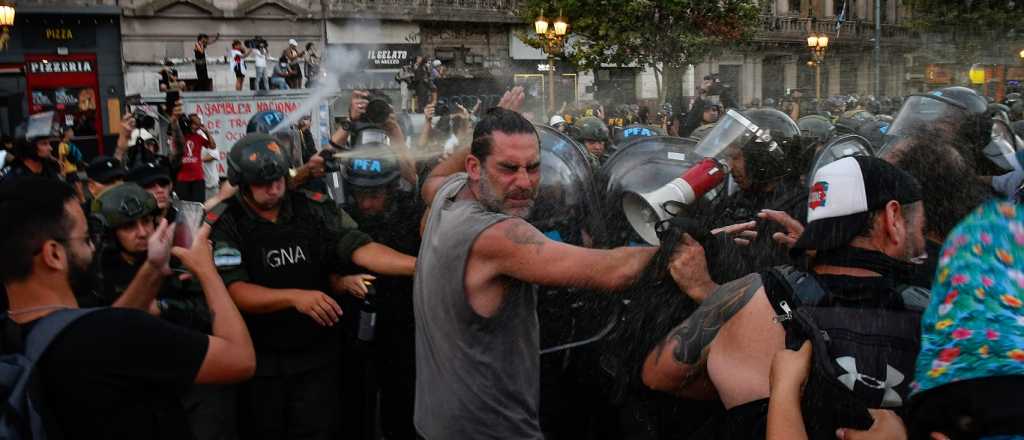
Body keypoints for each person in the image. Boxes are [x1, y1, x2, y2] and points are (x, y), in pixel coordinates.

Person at [414, 92, 667, 439]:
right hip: (492, 430)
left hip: (439, 422)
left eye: (533, 167)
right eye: (508, 168)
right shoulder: (498, 234)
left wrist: (480, 133)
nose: (524, 182)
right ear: (474, 167)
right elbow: (613, 270)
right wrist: (701, 242)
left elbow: (430, 180)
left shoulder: (450, 193)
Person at [642, 156, 927, 438]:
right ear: (893, 218)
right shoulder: (941, 319)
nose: (923, 239)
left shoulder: (757, 297)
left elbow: (659, 375)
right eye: (921, 226)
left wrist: (737, 382)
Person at [0, 177, 255, 439]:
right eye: (86, 239)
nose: (92, 247)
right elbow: (239, 359)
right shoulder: (112, 334)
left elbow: (108, 323)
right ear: (53, 255)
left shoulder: (13, 335)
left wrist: (153, 267)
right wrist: (206, 270)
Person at [208, 133, 416, 439]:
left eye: (279, 178)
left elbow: (360, 248)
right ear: (241, 182)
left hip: (317, 358)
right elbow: (236, 292)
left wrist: (420, 267)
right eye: (262, 182)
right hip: (261, 361)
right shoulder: (227, 223)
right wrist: (295, 298)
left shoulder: (314, 208)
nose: (274, 187)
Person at [86, 182, 238, 440]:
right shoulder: (96, 275)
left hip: (190, 377)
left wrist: (167, 309)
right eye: (129, 226)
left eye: (146, 222)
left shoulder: (180, 255)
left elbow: (210, 311)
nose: (142, 232)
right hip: (133, 388)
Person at [336, 145, 422, 440]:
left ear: (391, 188)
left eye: (374, 195)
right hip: (353, 328)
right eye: (360, 194)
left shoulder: (412, 215)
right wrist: (342, 283)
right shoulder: (339, 217)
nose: (367, 203)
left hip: (404, 326)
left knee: (402, 402)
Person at [0, 113, 62, 184]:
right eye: (44, 144)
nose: (50, 148)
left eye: (49, 144)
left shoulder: (49, 170)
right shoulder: (13, 178)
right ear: (29, 147)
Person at [176, 114, 216, 203]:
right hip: (183, 179)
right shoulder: (180, 137)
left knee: (198, 205)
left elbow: (213, 146)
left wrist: (207, 132)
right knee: (183, 206)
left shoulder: (198, 137)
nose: (199, 126)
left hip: (197, 178)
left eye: (199, 124)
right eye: (196, 123)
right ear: (190, 124)